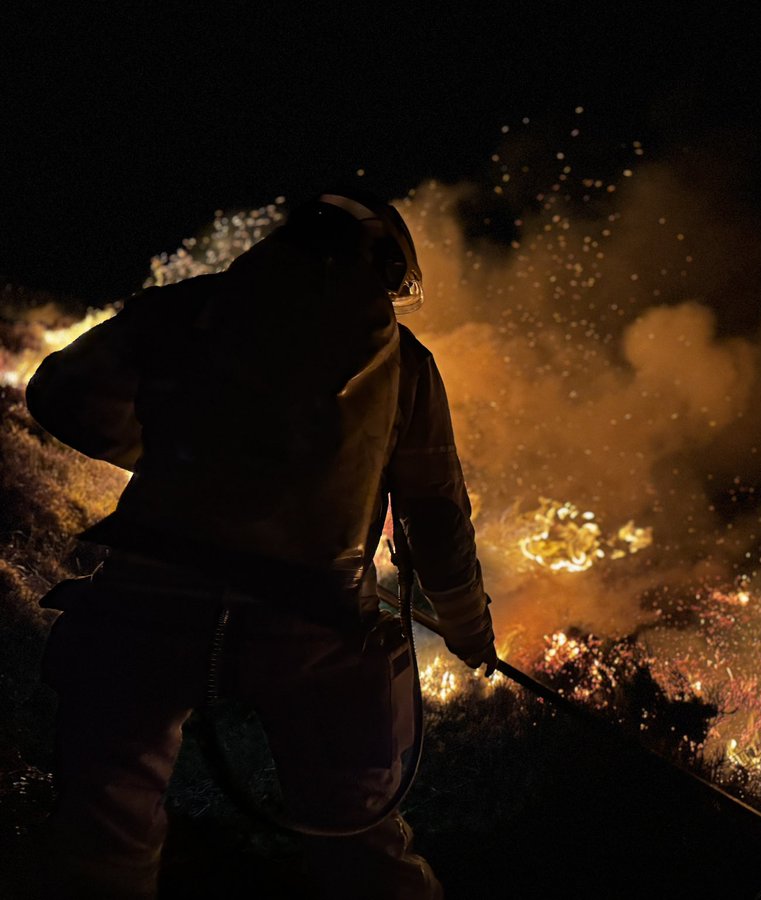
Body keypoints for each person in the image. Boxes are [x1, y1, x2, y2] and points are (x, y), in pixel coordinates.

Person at [25, 188, 497, 899]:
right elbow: (436, 514)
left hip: (149, 596)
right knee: (358, 840)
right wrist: (467, 628)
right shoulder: (403, 360)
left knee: (104, 829)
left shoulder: (181, 308)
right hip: (312, 623)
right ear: (387, 266)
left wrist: (177, 457)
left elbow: (61, 396)